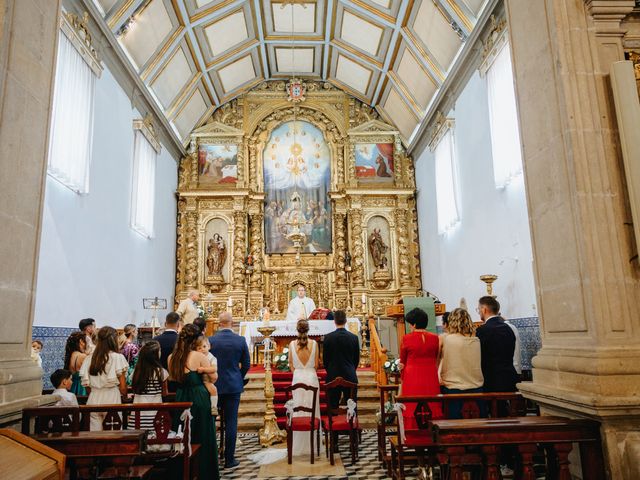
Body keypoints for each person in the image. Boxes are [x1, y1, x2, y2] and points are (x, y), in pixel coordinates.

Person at [169, 324, 220, 479]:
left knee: (183, 434)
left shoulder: (172, 357)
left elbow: (172, 378)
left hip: (181, 397)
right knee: (203, 434)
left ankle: (184, 472)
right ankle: (205, 473)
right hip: (199, 397)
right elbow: (214, 377)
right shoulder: (199, 356)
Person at [209, 312, 250, 469]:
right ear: (232, 323)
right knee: (231, 422)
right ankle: (229, 459)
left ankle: (212, 457)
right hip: (233, 386)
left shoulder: (211, 340)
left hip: (214, 386)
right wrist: (238, 377)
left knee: (212, 420)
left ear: (219, 324)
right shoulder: (239, 340)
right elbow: (246, 364)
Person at [399, 308, 443, 428]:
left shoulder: (406, 338)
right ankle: (433, 431)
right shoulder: (435, 338)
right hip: (430, 375)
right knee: (431, 403)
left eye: (410, 324)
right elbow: (436, 357)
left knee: (413, 404)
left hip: (412, 376)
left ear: (414, 324)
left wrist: (402, 376)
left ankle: (412, 431)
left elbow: (402, 361)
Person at [80, 326, 129, 431]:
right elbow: (123, 386)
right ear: (113, 340)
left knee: (94, 436)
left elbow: (86, 385)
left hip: (93, 398)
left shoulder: (89, 358)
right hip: (112, 397)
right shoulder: (117, 357)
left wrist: (94, 392)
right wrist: (125, 396)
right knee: (113, 434)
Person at [439, 308, 484, 418]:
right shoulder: (476, 340)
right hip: (476, 389)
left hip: (454, 389)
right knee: (477, 428)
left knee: (454, 428)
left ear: (452, 321)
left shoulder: (446, 339)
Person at [475, 296, 519, 394]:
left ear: (484, 309)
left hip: (491, 380)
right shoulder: (509, 328)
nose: (479, 312)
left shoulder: (482, 330)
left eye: (478, 309)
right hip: (509, 377)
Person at [323, 310, 359, 409]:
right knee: (351, 406)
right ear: (346, 321)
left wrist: (330, 370)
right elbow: (356, 359)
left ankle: (332, 423)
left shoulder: (328, 338)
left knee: (332, 406)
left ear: (334, 321)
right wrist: (351, 368)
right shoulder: (354, 338)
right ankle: (352, 423)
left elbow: (325, 360)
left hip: (333, 375)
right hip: (349, 374)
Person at [131, 341, 168, 430]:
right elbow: (165, 393)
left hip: (138, 411)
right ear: (155, 355)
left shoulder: (137, 372)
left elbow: (134, 388)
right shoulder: (162, 372)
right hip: (155, 410)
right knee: (155, 434)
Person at [195, 336, 218, 416]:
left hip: (207, 380)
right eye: (199, 348)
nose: (202, 349)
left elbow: (214, 368)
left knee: (213, 389)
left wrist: (204, 369)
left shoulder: (212, 358)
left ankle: (214, 407)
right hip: (198, 380)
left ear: (209, 346)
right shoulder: (197, 357)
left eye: (204, 346)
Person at [64, 331, 88, 396]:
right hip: (83, 388)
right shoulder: (82, 356)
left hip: (73, 386)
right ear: (81, 341)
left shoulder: (71, 355)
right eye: (87, 340)